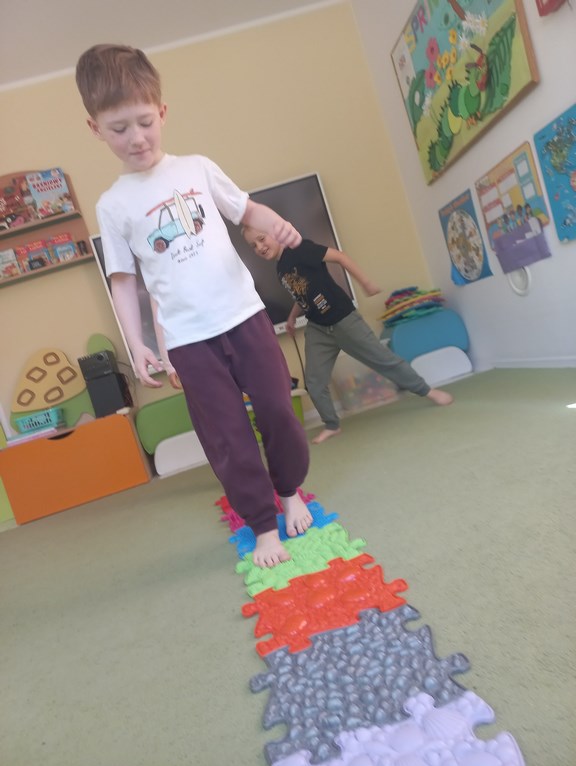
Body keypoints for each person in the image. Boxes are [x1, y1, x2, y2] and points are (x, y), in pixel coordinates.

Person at [75, 44, 312, 568]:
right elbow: (122, 279)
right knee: (227, 436)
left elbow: (246, 210)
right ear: (95, 129)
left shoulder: (198, 169)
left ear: (162, 112)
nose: (136, 138)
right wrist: (136, 343)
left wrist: (278, 225)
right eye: (119, 129)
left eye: (144, 122)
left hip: (244, 316)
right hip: (188, 340)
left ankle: (289, 491)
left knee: (277, 408)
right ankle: (262, 523)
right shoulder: (113, 205)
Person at [241, 227, 454, 444]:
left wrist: (365, 283)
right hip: (318, 328)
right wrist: (292, 318)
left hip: (344, 320)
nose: (259, 247)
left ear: (275, 233)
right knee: (314, 381)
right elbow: (302, 293)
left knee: (383, 359)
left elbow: (340, 257)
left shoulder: (300, 249)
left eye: (261, 239)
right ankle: (332, 425)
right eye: (253, 245)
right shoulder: (280, 268)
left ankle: (428, 391)